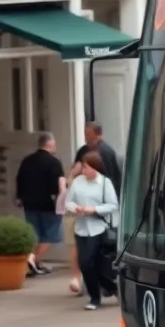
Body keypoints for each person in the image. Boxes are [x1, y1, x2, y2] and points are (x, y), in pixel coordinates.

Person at [67, 122, 122, 294]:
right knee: (87, 257)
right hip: (83, 218)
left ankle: (101, 287)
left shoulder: (105, 152)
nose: (86, 139)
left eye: (89, 135)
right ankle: (99, 286)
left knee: (94, 256)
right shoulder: (84, 152)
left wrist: (97, 208)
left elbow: (112, 181)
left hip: (100, 217)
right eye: (85, 135)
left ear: (98, 134)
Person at [15, 132, 66, 277]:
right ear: (50, 144)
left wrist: (19, 197)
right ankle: (32, 258)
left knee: (35, 234)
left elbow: (19, 179)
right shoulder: (54, 162)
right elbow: (58, 185)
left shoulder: (27, 160)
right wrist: (61, 202)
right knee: (51, 235)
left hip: (30, 203)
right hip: (49, 204)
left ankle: (35, 263)